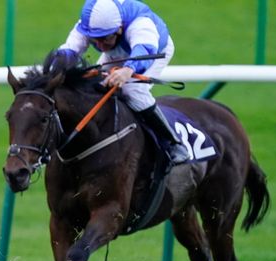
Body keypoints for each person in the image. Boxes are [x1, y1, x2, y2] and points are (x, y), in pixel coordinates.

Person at [53, 0, 189, 164]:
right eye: (94, 40)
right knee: (98, 85)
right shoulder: (89, 25)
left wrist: (127, 70)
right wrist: (54, 71)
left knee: (131, 90)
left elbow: (144, 50)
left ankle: (173, 143)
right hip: (120, 51)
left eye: (104, 39)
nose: (100, 45)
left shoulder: (140, 25)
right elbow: (69, 50)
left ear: (119, 29)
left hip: (153, 51)